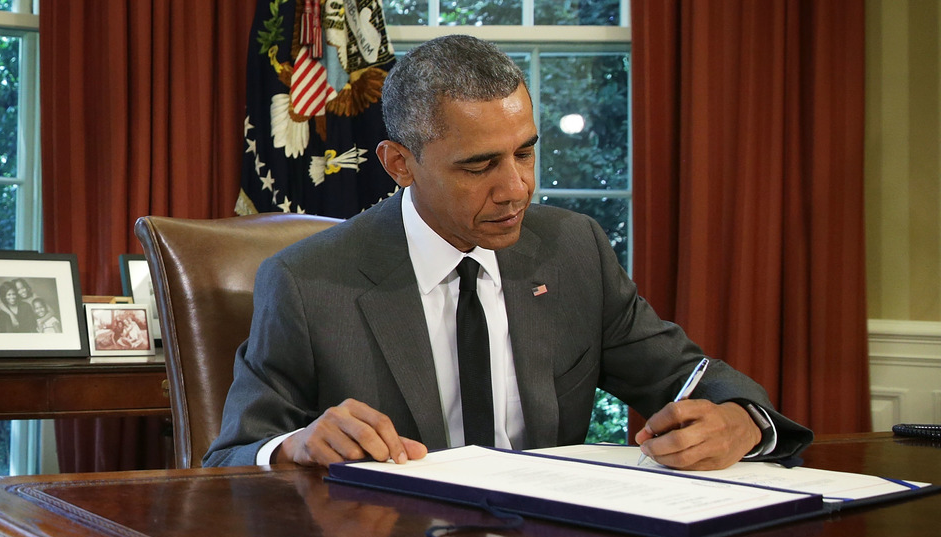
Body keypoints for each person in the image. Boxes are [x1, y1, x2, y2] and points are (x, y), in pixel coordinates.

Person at [204, 35, 813, 471]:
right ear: (399, 165)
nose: (517, 188)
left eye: (524, 152)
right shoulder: (308, 281)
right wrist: (297, 445)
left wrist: (742, 421)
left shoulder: (573, 249)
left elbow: (688, 380)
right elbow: (230, 457)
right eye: (480, 165)